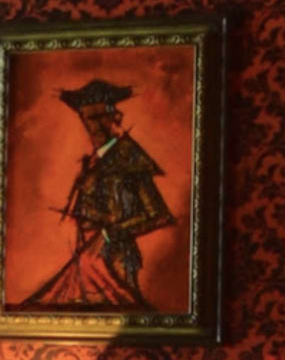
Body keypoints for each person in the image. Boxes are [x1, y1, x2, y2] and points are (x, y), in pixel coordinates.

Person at [13, 79, 175, 309]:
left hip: (117, 261)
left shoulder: (129, 158)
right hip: (86, 259)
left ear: (116, 117)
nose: (96, 126)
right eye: (90, 118)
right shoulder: (93, 162)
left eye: (102, 118)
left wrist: (109, 233)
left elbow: (160, 215)